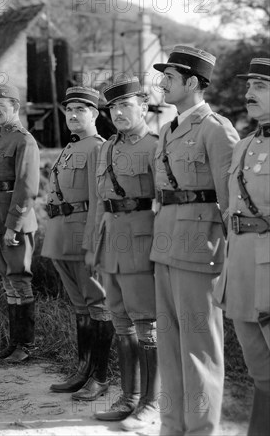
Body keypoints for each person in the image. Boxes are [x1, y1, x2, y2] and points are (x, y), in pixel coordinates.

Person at [151, 45, 239, 435]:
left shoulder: (216, 129)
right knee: (168, 346)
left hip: (200, 250)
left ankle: (201, 429)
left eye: (169, 77)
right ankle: (172, 426)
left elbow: (231, 202)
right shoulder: (168, 129)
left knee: (199, 348)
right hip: (166, 246)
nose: (162, 83)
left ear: (191, 82)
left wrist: (230, 259)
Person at [91, 76, 159, 428]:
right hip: (111, 242)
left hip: (142, 242)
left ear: (144, 107)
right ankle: (129, 397)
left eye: (125, 105)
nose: (117, 112)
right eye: (112, 107)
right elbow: (100, 202)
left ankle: (150, 403)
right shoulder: (108, 147)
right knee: (119, 318)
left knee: (146, 322)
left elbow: (165, 203)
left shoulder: (155, 146)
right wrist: (93, 248)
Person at [42, 86, 114, 400]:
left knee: (99, 306)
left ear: (95, 114)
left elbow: (98, 200)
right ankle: (83, 370)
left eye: (80, 110)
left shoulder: (97, 147)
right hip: (60, 236)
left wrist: (91, 243)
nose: (72, 115)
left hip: (82, 236)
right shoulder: (72, 147)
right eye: (69, 110)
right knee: (80, 306)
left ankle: (100, 376)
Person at [213, 57, 270, 436]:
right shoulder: (245, 144)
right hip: (243, 267)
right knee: (259, 369)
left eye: (260, 86)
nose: (248, 93)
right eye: (250, 85)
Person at [0, 83, 40, 363]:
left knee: (19, 279)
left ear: (16, 108)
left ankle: (26, 345)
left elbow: (27, 186)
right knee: (7, 281)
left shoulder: (24, 140)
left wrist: (12, 225)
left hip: (15, 223)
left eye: (1, 107)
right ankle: (14, 343)